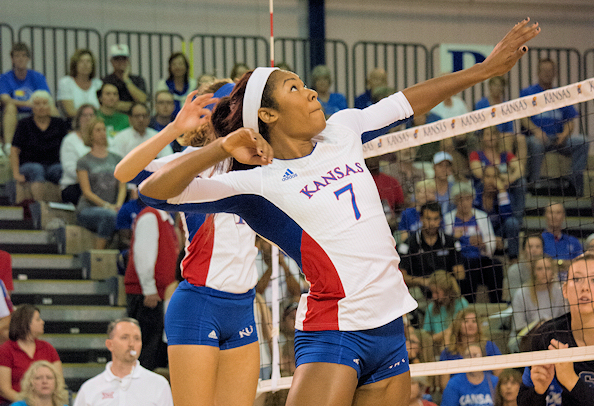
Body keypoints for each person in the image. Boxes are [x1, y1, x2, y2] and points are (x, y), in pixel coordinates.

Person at [137, 20, 540, 406]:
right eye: (295, 87)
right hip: (335, 333)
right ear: (268, 115)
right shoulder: (256, 182)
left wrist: (484, 70)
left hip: (390, 328)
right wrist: (219, 149)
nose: (312, 93)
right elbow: (151, 191)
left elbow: (406, 102)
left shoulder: (341, 130)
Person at [113, 85, 262, 406]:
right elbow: (124, 171)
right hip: (199, 305)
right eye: (224, 107)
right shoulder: (190, 162)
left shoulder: (260, 162)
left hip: (243, 308)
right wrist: (174, 128)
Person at [517, 252, 594, 406]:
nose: (585, 288)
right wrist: (539, 390)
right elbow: (523, 402)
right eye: (577, 279)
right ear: (564, 290)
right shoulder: (547, 336)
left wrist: (571, 380)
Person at [521, 58, 588, 196]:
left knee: (584, 141)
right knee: (535, 143)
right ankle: (534, 184)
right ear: (538, 72)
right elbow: (523, 118)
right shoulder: (528, 92)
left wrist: (564, 134)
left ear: (555, 73)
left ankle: (572, 184)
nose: (547, 73)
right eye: (544, 70)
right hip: (537, 139)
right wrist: (537, 132)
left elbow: (571, 121)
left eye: (550, 71)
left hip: (558, 139)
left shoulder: (561, 94)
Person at [124, 206, 178, 371]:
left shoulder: (165, 219)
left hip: (159, 293)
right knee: (146, 351)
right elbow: (143, 255)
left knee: (155, 351)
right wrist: (149, 289)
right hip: (147, 295)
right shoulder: (150, 217)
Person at [73, 318, 173, 406]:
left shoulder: (158, 385)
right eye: (125, 337)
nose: (131, 344)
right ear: (110, 344)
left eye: (137, 338)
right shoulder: (90, 389)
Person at [444, 182, 503, 303]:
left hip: (481, 258)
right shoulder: (448, 218)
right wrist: (454, 238)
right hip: (459, 261)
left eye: (467, 198)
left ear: (472, 199)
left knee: (495, 265)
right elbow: (444, 244)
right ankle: (469, 304)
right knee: (470, 265)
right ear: (455, 201)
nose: (464, 203)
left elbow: (491, 241)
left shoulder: (482, 216)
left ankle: (497, 303)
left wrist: (483, 243)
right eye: (460, 199)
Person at [10, 91, 69, 202]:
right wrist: (16, 173)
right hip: (29, 165)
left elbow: (67, 147)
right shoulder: (24, 124)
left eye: (45, 103)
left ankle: (64, 209)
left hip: (53, 165)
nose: (41, 107)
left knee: (61, 171)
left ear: (50, 106)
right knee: (37, 170)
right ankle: (40, 207)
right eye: (37, 104)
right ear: (32, 107)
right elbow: (14, 150)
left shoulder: (59, 123)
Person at [76, 118, 126, 249]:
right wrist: (106, 206)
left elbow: (122, 186)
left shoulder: (116, 158)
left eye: (104, 129)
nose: (102, 133)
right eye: (98, 130)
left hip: (113, 206)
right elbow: (86, 192)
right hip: (88, 209)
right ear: (90, 135)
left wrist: (119, 205)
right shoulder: (83, 161)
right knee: (108, 216)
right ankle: (98, 254)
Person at [0, 305, 61, 404]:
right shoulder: (5, 350)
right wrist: (29, 403)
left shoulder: (48, 348)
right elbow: (3, 389)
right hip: (13, 403)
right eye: (38, 319)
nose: (42, 322)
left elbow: (58, 382)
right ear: (26, 323)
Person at [0, 43, 56, 150]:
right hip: (15, 112)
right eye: (17, 56)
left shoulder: (37, 76)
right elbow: (5, 99)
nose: (20, 59)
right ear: (12, 59)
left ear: (28, 58)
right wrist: (27, 104)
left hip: (35, 110)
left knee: (51, 107)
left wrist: (34, 105)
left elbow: (46, 97)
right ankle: (9, 147)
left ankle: (57, 142)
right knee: (10, 107)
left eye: (23, 55)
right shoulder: (4, 78)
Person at [399, 202, 464, 288]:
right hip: (418, 289)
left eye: (436, 219)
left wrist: (443, 281)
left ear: (440, 219)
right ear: (421, 219)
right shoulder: (408, 244)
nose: (432, 223)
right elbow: (401, 276)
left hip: (444, 289)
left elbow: (460, 274)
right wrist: (424, 282)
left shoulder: (451, 242)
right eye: (428, 219)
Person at [510, 256, 567, 349]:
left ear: (552, 271)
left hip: (554, 337)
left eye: (547, 268)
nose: (544, 272)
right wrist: (538, 326)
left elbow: (565, 320)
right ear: (534, 272)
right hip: (527, 341)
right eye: (540, 269)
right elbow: (518, 327)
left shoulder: (560, 291)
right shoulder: (521, 294)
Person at [469, 126, 524, 220]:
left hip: (503, 187)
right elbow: (478, 173)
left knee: (522, 182)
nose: (491, 137)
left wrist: (510, 179)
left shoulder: (505, 155)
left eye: (494, 134)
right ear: (482, 138)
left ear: (498, 137)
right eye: (487, 134)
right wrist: (498, 178)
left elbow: (520, 168)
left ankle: (517, 219)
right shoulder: (476, 154)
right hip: (483, 188)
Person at [440, 308, 502, 389]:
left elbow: (499, 375)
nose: (470, 325)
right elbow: (444, 385)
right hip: (458, 392)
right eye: (466, 321)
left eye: (474, 321)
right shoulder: (448, 352)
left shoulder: (489, 346)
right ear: (458, 325)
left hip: (486, 391)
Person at [473, 165, 520, 261]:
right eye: (488, 176)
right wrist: (492, 238)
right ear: (482, 179)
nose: (491, 180)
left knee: (512, 222)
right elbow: (472, 220)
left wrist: (502, 191)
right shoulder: (475, 196)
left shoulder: (505, 195)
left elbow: (508, 217)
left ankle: (513, 259)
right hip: (481, 232)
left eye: (494, 177)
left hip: (499, 232)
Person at [59, 104, 95, 204]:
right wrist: (93, 179)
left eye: (91, 115)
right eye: (85, 115)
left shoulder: (104, 139)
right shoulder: (69, 140)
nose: (88, 118)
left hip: (101, 183)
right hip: (74, 184)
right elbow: (69, 168)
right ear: (78, 119)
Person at [422, 270, 469, 349]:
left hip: (458, 344)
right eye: (432, 292)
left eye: (437, 292)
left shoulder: (461, 303)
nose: (434, 296)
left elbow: (458, 330)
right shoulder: (431, 307)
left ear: (447, 291)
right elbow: (426, 333)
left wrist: (444, 334)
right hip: (436, 345)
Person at [56, 49, 102, 118]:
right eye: (81, 61)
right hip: (74, 123)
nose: (85, 65)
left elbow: (103, 110)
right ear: (75, 64)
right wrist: (90, 115)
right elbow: (70, 111)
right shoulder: (66, 83)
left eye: (88, 61)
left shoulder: (98, 84)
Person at [101, 44, 148, 113]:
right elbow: (108, 104)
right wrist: (134, 105)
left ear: (128, 61)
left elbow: (143, 100)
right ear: (111, 61)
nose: (120, 62)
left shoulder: (138, 79)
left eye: (123, 59)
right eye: (117, 59)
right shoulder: (106, 81)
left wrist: (127, 80)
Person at [156, 53, 197, 118]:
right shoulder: (162, 84)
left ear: (186, 67)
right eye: (174, 64)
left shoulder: (194, 84)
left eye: (180, 64)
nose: (177, 67)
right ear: (169, 67)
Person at [506, 235, 544, 302]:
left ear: (542, 250)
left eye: (538, 247)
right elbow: (515, 296)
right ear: (523, 250)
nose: (534, 250)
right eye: (530, 247)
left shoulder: (547, 269)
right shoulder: (514, 270)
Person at [433, 151, 456, 216]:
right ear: (434, 167)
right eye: (440, 165)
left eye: (447, 166)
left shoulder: (455, 188)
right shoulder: (425, 188)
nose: (444, 169)